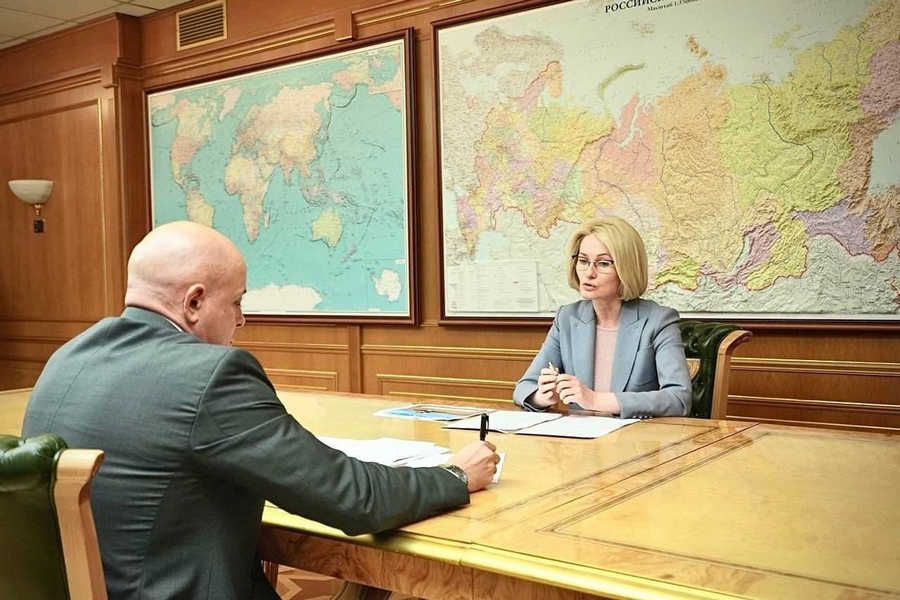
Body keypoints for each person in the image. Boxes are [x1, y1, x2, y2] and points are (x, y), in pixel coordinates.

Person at [22, 221, 499, 600]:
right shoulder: (210, 375)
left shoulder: (68, 358)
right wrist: (455, 475)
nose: (242, 318)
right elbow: (354, 499)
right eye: (236, 302)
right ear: (194, 302)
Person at [513, 217, 691, 418]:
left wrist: (594, 400)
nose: (589, 273)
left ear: (627, 269)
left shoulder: (658, 320)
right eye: (583, 261)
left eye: (603, 264)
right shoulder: (567, 318)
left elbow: (679, 399)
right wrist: (542, 396)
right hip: (579, 435)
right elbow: (524, 387)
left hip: (634, 435)